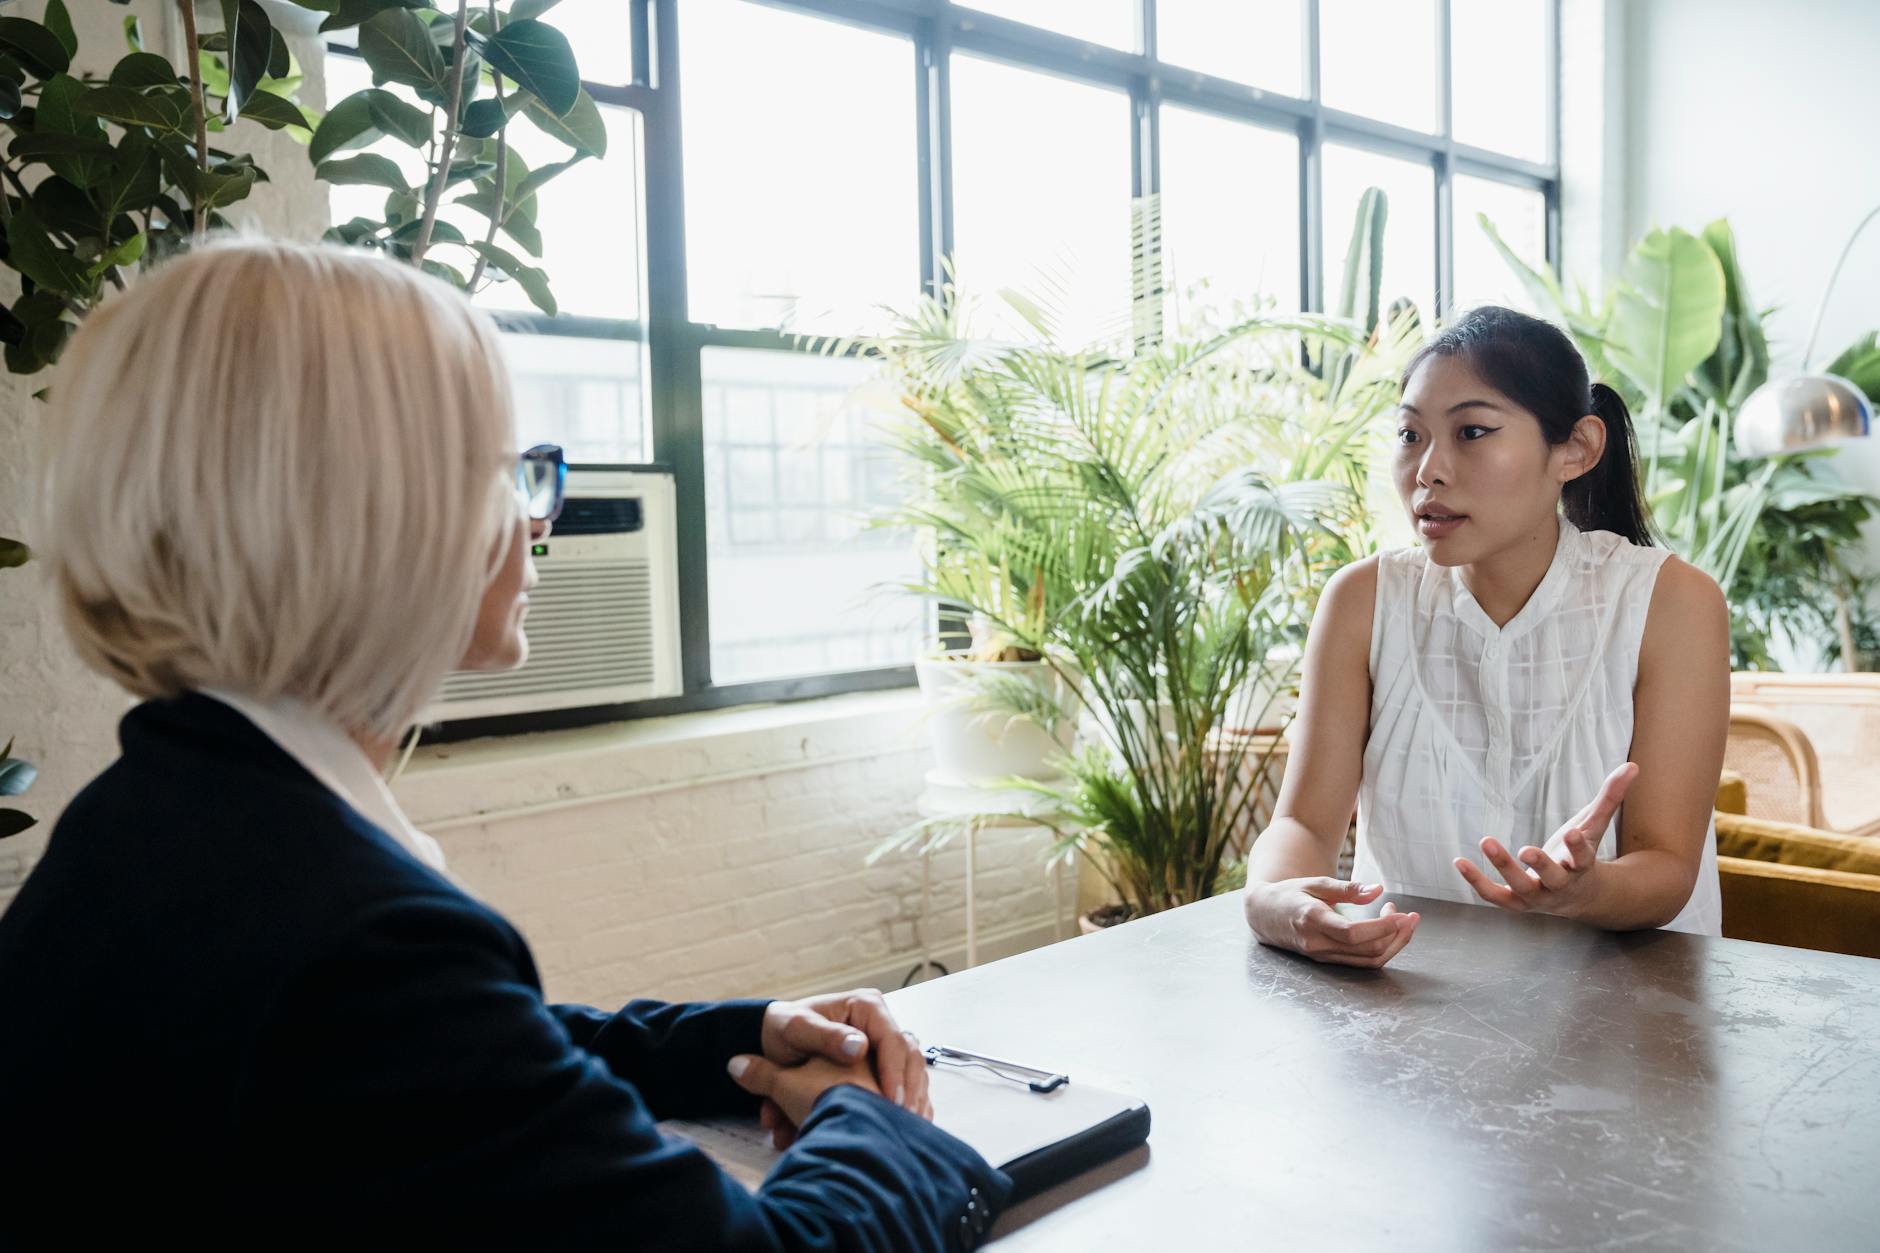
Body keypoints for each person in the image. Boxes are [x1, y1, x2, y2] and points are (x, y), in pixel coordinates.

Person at [0, 240, 1008, 1247]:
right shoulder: (361, 943)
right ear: (378, 514)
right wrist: (867, 1116)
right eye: (511, 472)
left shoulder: (158, 817)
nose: (538, 521)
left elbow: (457, 1063)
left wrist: (736, 1038)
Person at [1244, 305, 1729, 968]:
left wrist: (1584, 890)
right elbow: (1301, 824)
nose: (1428, 470)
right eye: (1410, 435)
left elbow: (1668, 866)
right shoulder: (1361, 601)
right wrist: (1277, 898)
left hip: (1626, 1027)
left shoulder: (1672, 602)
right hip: (1414, 1010)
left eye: (1471, 431)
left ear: (1577, 449)